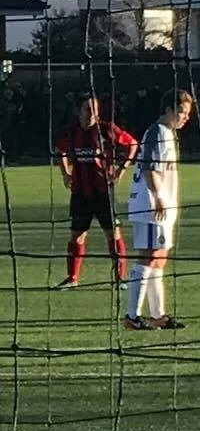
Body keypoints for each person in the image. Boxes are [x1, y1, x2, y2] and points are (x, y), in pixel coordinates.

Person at [124, 89, 195, 331]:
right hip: (150, 206)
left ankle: (158, 315)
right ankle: (132, 316)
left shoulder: (167, 134)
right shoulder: (157, 132)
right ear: (168, 110)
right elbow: (148, 168)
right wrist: (158, 197)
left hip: (161, 207)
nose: (185, 117)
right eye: (182, 112)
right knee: (148, 255)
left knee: (159, 259)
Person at [55, 94, 136, 289]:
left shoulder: (106, 129)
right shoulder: (71, 133)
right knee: (77, 235)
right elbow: (61, 151)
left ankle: (119, 278)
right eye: (87, 109)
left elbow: (132, 144)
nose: (91, 114)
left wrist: (121, 169)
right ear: (79, 112)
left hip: (103, 193)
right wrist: (66, 173)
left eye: (95, 110)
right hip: (80, 194)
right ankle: (72, 278)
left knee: (113, 234)